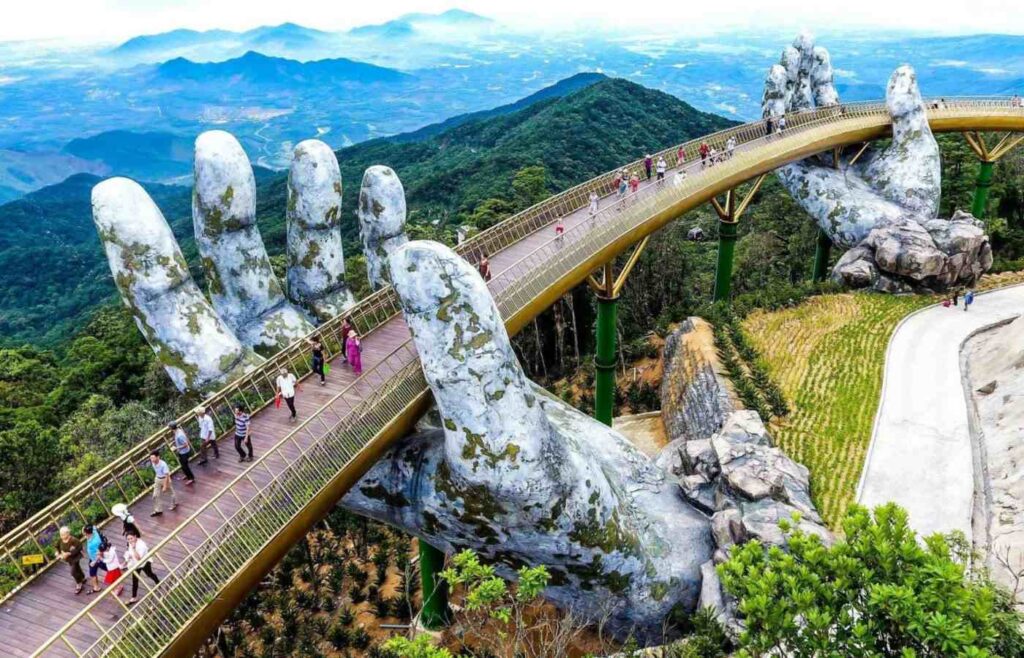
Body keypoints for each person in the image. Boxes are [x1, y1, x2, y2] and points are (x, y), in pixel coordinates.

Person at [124, 530, 159, 604]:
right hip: (135, 565)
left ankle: (157, 582)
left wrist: (133, 548)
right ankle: (134, 597)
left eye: (131, 538)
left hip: (144, 563)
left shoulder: (141, 545)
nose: (130, 540)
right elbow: (130, 552)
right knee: (135, 580)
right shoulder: (130, 543)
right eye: (128, 539)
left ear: (135, 537)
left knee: (149, 574)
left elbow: (138, 558)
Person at [57, 526, 86, 594]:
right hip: (68, 559)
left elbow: (79, 547)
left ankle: (79, 583)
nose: (62, 536)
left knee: (73, 572)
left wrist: (69, 553)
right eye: (61, 534)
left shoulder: (73, 540)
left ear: (68, 533)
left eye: (63, 534)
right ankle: (82, 577)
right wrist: (58, 553)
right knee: (77, 568)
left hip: (75, 558)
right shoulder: (60, 540)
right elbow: (57, 546)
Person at [149, 450, 177, 516]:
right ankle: (158, 510)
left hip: (165, 479)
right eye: (151, 458)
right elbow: (157, 471)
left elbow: (166, 475)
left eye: (153, 458)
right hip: (158, 479)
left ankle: (174, 503)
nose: (152, 460)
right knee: (155, 495)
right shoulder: (153, 463)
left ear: (158, 457)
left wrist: (165, 486)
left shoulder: (163, 464)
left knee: (171, 493)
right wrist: (156, 479)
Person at [168, 422, 195, 486]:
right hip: (181, 452)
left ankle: (191, 478)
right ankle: (187, 475)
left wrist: (176, 448)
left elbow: (186, 444)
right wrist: (173, 443)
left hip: (184, 452)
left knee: (185, 466)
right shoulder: (177, 431)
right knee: (182, 465)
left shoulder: (180, 435)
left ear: (171, 428)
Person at [83, 525, 106, 594]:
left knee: (109, 569)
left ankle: (118, 582)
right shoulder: (94, 532)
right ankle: (96, 587)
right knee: (92, 572)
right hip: (92, 558)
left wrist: (95, 561)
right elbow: (94, 526)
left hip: (98, 559)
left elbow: (100, 552)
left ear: (86, 533)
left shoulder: (94, 543)